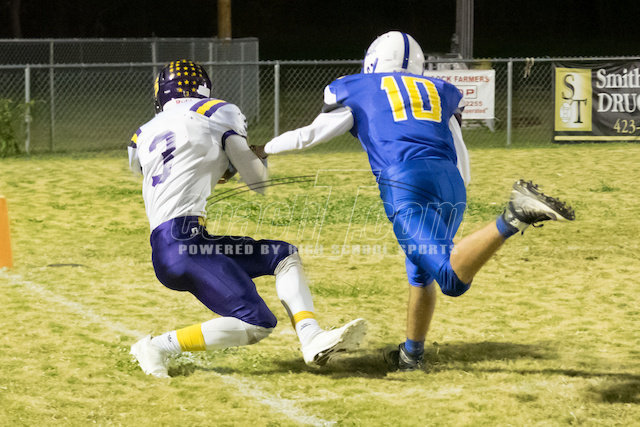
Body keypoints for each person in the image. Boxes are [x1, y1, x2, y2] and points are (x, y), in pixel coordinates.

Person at [259, 32, 575, 371]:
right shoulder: (438, 90)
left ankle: (514, 215)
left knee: (450, 278)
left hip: (405, 182)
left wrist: (264, 149)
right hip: (451, 182)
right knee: (421, 273)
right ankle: (411, 355)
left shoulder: (358, 87)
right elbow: (458, 145)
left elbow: (310, 135)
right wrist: (457, 186)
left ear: (373, 60)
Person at [127, 59, 367, 378]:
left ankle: (311, 336)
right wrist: (251, 157)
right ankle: (158, 346)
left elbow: (163, 169)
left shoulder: (141, 134)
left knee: (283, 255)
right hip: (186, 246)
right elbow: (258, 181)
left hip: (175, 243)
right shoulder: (217, 111)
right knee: (257, 322)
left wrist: (218, 163)